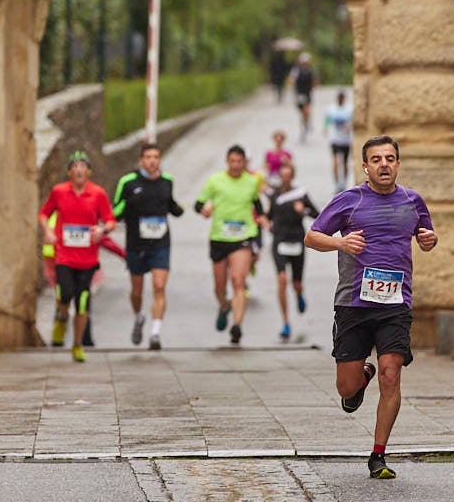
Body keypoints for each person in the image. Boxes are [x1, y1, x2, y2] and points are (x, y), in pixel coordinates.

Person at [304, 135, 437, 480]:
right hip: (353, 303)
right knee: (347, 389)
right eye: (376, 159)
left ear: (398, 163)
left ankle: (378, 454)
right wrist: (340, 242)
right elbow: (312, 236)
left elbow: (426, 236)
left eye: (390, 158)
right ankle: (362, 377)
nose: (384, 165)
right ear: (365, 166)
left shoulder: (412, 201)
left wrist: (428, 240)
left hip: (396, 303)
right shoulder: (349, 200)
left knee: (392, 373)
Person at [38, 151, 117, 363]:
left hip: (88, 258)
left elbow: (110, 220)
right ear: (69, 171)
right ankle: (62, 318)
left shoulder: (98, 193)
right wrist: (48, 231)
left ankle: (77, 344)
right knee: (64, 294)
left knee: (82, 301)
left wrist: (103, 230)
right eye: (75, 166)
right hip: (64, 256)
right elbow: (44, 213)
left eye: (83, 166)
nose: (79, 170)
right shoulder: (59, 191)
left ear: (89, 171)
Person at [195, 144, 268, 345]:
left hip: (243, 237)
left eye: (239, 162)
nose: (236, 165)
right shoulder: (215, 180)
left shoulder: (252, 182)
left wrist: (262, 218)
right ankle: (223, 305)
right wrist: (205, 210)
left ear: (244, 163)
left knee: (238, 280)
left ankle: (237, 325)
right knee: (219, 287)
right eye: (232, 161)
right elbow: (198, 204)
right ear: (227, 161)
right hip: (219, 237)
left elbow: (257, 203)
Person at [112, 143, 183, 350]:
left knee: (159, 287)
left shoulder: (167, 181)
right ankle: (138, 316)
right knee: (137, 291)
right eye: (149, 157)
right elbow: (116, 209)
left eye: (156, 157)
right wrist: (125, 208)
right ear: (141, 160)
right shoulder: (128, 182)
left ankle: (155, 333)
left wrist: (178, 209)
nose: (153, 161)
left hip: (161, 243)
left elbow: (170, 203)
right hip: (136, 243)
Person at [268, 163, 318, 341]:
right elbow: (269, 216)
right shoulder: (274, 195)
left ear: (293, 176)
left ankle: (298, 293)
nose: (286, 178)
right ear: (280, 176)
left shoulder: (300, 194)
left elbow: (317, 214)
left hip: (297, 241)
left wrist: (302, 210)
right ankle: (286, 322)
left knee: (296, 283)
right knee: (282, 280)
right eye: (283, 175)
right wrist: (265, 223)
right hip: (279, 241)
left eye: (288, 175)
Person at [323, 90, 353, 192]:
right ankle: (336, 183)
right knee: (335, 162)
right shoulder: (331, 108)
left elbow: (353, 121)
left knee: (344, 163)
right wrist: (325, 127)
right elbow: (327, 119)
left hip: (345, 140)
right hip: (335, 139)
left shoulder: (349, 109)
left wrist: (349, 126)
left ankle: (343, 182)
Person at [289, 53, 317, 142]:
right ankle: (304, 125)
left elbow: (315, 82)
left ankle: (306, 123)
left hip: (307, 94)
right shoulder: (296, 70)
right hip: (299, 94)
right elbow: (291, 80)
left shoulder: (311, 71)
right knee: (302, 113)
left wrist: (312, 86)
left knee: (307, 110)